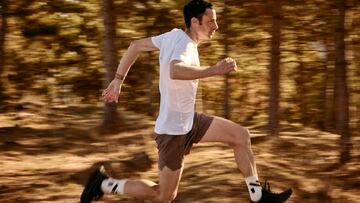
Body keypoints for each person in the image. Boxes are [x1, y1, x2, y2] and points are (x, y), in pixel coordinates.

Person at [80, 0, 292, 202]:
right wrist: (214, 70)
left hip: (190, 121)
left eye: (216, 21)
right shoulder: (184, 43)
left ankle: (257, 196)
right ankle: (104, 185)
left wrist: (118, 80)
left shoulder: (172, 36)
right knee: (163, 196)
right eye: (211, 21)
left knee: (241, 135)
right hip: (173, 132)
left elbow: (135, 45)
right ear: (194, 21)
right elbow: (175, 70)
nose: (216, 26)